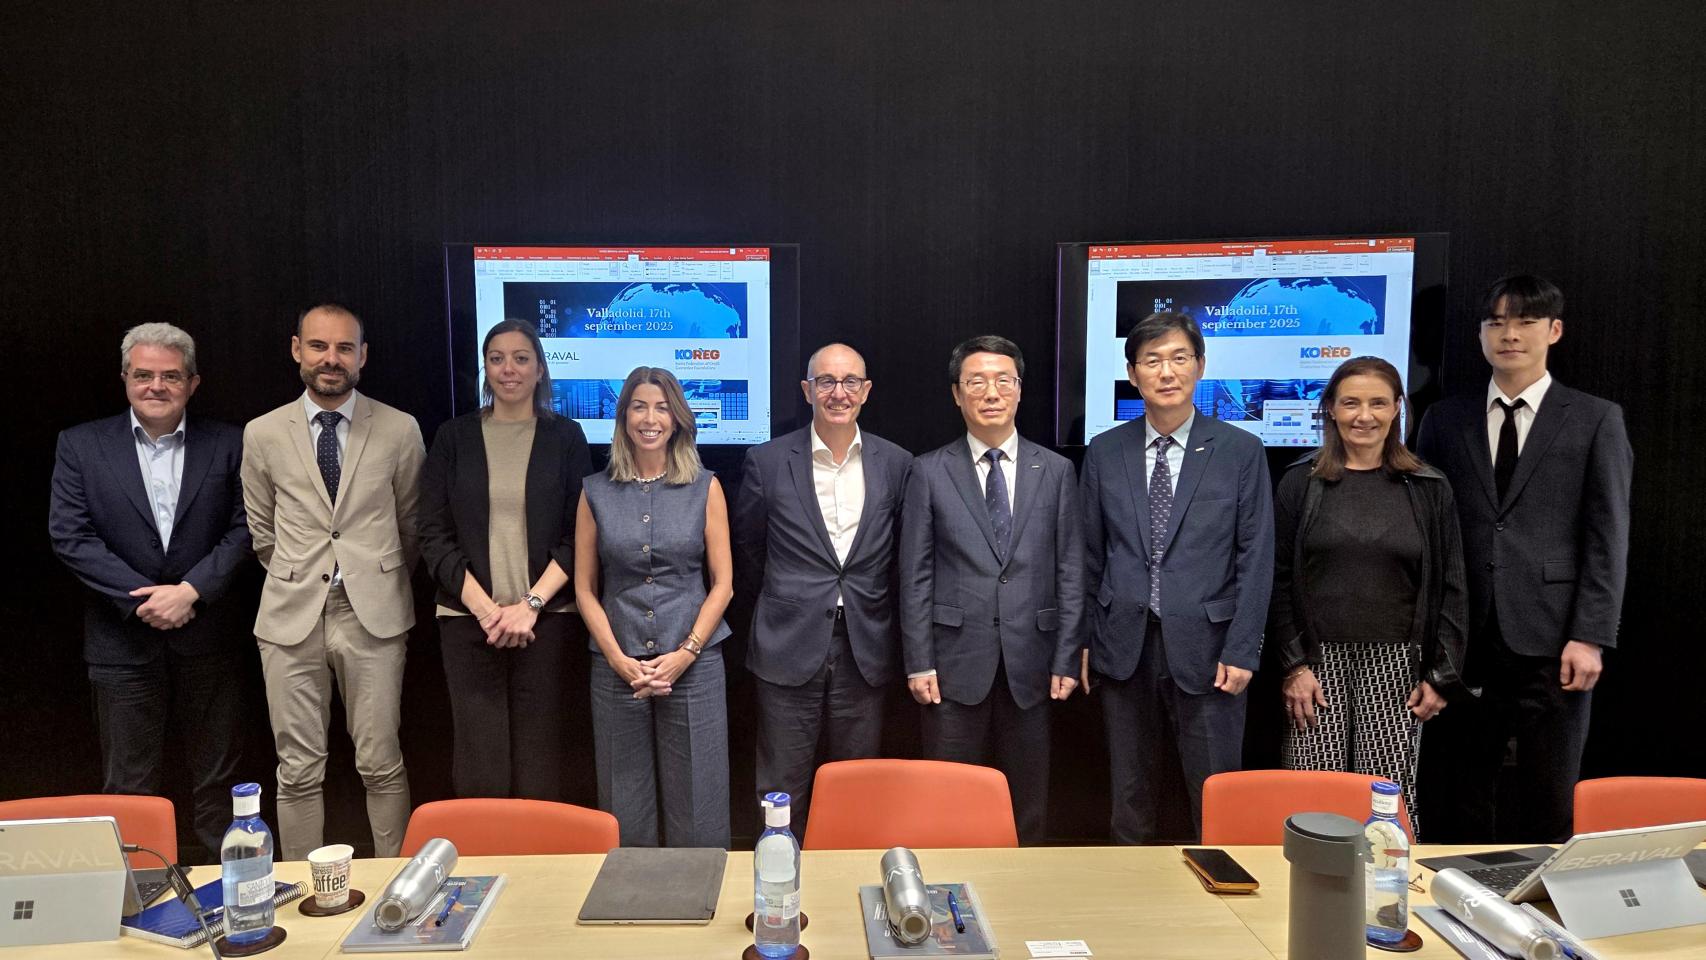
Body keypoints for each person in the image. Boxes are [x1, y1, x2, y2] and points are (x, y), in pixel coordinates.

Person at [1416, 275, 1632, 842]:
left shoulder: (1594, 418)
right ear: (1480, 334)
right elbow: (1429, 529)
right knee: (1461, 792)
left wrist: (1591, 635)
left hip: (1554, 638)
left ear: (1553, 330)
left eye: (1525, 321)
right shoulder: (1444, 419)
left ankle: (1545, 892)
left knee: (1549, 791)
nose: (1509, 334)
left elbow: (1608, 535)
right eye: (1496, 322)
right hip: (1464, 637)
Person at [48, 323, 251, 858]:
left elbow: (247, 528)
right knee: (129, 787)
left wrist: (191, 591)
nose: (156, 386)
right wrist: (149, 598)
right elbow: (70, 536)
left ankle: (229, 893)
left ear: (193, 382)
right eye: (143, 375)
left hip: (209, 638)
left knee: (220, 786)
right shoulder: (81, 445)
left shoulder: (231, 443)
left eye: (170, 376)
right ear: (124, 378)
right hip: (122, 644)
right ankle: (138, 895)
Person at [1081, 311, 1273, 844]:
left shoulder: (1240, 450)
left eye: (1179, 358)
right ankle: (1132, 889)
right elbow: (1089, 555)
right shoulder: (1105, 451)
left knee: (1214, 797)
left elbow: (1255, 557)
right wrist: (1085, 641)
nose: (1166, 372)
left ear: (1200, 366)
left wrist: (1243, 649)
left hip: (1211, 649)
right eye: (1152, 360)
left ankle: (1221, 891)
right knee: (1129, 796)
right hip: (1123, 646)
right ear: (1132, 373)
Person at [241, 303, 425, 860]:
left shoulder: (399, 428)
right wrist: (306, 574)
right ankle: (302, 891)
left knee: (381, 762)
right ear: (297, 350)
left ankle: (395, 887)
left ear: (362, 356)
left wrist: (370, 575)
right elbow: (262, 531)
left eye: (345, 348)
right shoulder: (262, 432)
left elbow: (412, 525)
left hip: (374, 613)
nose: (331, 358)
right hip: (291, 616)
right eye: (319, 346)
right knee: (297, 770)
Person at [1268, 356, 1472, 834]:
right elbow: (1276, 580)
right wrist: (1293, 667)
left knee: (1386, 807)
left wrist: (1441, 676)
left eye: (1378, 403)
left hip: (1398, 666)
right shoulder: (1301, 482)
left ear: (1398, 407)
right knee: (1313, 804)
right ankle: (1311, 883)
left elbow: (1453, 588)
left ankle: (1386, 883)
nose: (1365, 415)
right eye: (1351, 403)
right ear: (1330, 409)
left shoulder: (1429, 487)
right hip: (1315, 668)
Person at [900, 335, 1083, 844]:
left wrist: (1067, 656)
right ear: (956, 394)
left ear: (1020, 389)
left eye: (1004, 380)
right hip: (951, 665)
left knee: (1029, 805)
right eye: (976, 381)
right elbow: (914, 574)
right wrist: (919, 661)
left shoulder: (1057, 471)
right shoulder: (928, 470)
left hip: (1034, 663)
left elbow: (1071, 569)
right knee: (948, 801)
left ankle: (1025, 887)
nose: (991, 392)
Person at [733, 343, 912, 839]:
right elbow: (749, 546)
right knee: (781, 787)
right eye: (826, 381)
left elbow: (902, 554)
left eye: (850, 381)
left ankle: (848, 879)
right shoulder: (768, 461)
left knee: (857, 784)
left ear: (866, 391)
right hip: (786, 645)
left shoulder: (896, 463)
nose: (839, 393)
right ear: (807, 390)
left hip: (864, 647)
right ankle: (779, 880)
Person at [418, 319, 593, 801]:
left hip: (546, 621)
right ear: (485, 368)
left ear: (540, 369)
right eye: (496, 359)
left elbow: (578, 534)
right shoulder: (453, 437)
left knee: (543, 760)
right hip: (468, 622)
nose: (508, 369)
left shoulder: (566, 437)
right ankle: (482, 852)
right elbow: (432, 534)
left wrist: (530, 605)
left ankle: (541, 854)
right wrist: (487, 611)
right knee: (481, 763)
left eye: (520, 358)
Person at [574, 366, 733, 847]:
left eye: (662, 408)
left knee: (699, 808)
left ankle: (702, 893)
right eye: (639, 407)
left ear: (677, 418)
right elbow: (585, 589)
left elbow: (723, 584)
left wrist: (686, 653)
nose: (650, 419)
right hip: (617, 670)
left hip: (695, 668)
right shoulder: (594, 491)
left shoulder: (706, 486)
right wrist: (618, 659)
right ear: (623, 417)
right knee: (624, 807)